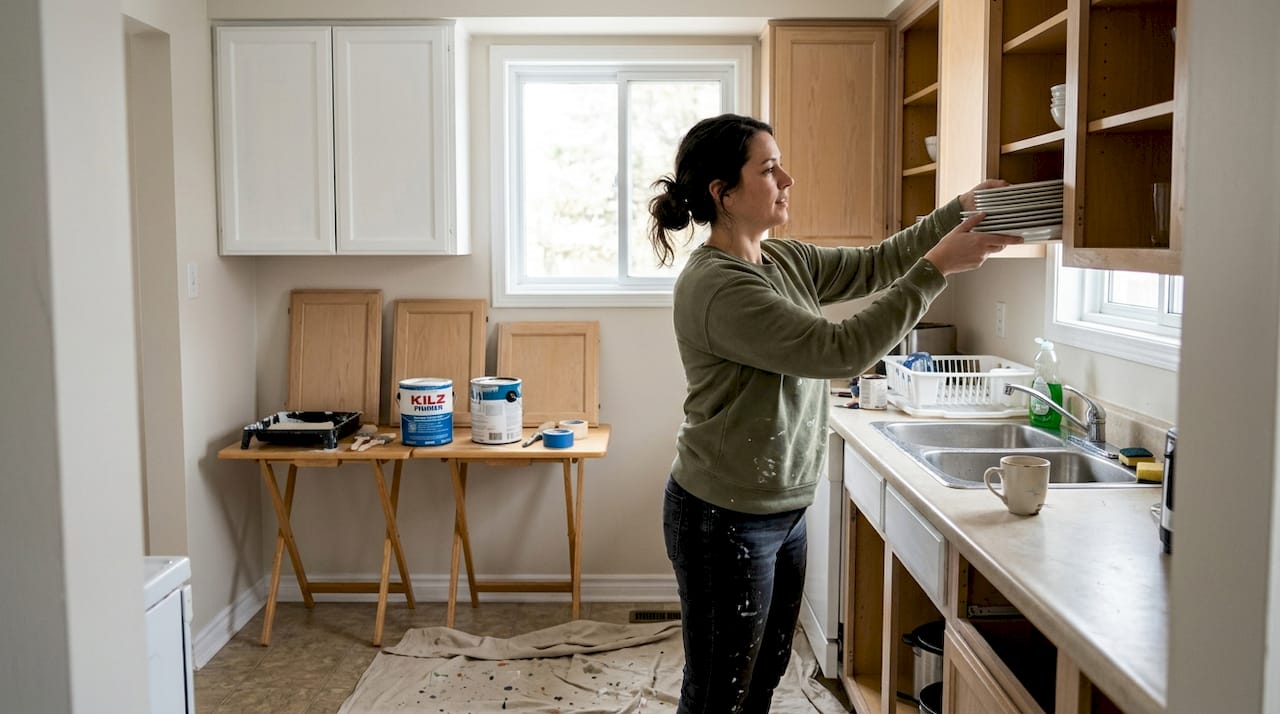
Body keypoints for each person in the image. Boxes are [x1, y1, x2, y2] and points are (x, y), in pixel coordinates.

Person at [647, 113, 1019, 713]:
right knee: (718, 691)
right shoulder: (717, 286)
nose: (787, 179)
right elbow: (835, 350)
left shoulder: (784, 261)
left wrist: (959, 208)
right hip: (725, 519)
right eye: (769, 169)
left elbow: (877, 263)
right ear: (723, 192)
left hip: (782, 508)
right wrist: (938, 270)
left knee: (764, 679)